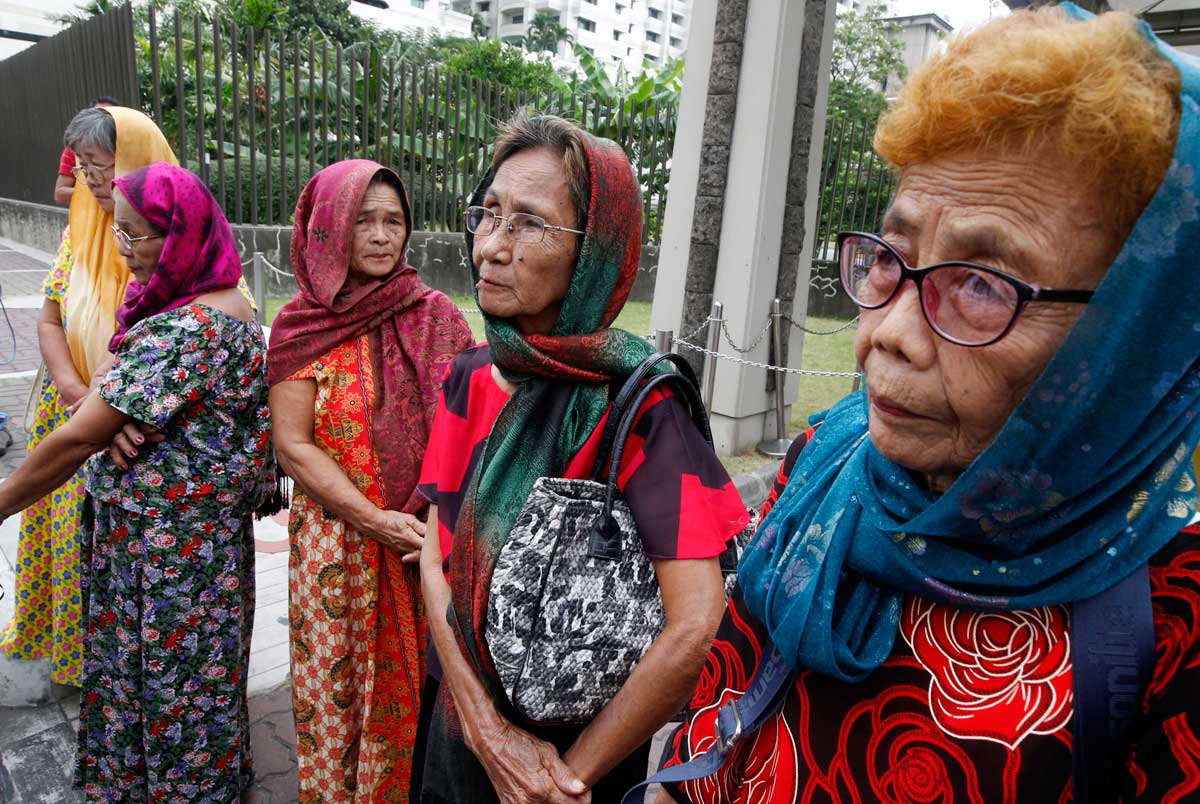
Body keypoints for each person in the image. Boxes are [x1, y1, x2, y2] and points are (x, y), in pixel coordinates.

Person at [655, 6, 1200, 802]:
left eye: (982, 284)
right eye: (891, 258)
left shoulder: (1176, 604)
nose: (891, 335)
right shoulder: (829, 456)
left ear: (1129, 338)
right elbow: (726, 696)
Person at [413, 111, 750, 803]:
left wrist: (562, 781)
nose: (492, 248)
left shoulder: (643, 409)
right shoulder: (472, 374)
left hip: (578, 758)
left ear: (593, 250)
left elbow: (696, 626)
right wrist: (482, 727)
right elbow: (433, 552)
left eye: (530, 223)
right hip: (457, 726)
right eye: (488, 214)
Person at [0, 161, 274, 802]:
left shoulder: (184, 331)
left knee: (167, 689)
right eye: (118, 235)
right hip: (200, 554)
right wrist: (107, 401)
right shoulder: (228, 304)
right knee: (201, 686)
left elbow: (76, 439)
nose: (124, 251)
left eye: (137, 236)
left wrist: (4, 502)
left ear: (182, 233)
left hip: (164, 560)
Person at [269, 159, 473, 803]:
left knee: (423, 689)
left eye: (394, 221)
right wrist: (372, 518)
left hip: (424, 543)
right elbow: (292, 445)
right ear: (328, 228)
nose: (383, 236)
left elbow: (469, 429)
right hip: (338, 547)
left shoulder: (436, 315)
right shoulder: (302, 324)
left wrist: (425, 524)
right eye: (363, 221)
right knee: (338, 683)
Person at [0, 106, 176, 686]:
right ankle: (73, 664)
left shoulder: (183, 233)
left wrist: (112, 404)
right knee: (62, 542)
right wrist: (78, 393)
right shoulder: (80, 225)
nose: (92, 185)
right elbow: (50, 321)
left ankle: (111, 681)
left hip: (136, 427)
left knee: (105, 555)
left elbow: (201, 331)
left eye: (103, 170)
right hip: (72, 408)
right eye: (85, 172)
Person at [54, 96, 121, 207]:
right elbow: (59, 193)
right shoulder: (75, 150)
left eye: (108, 117)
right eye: (84, 167)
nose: (91, 180)